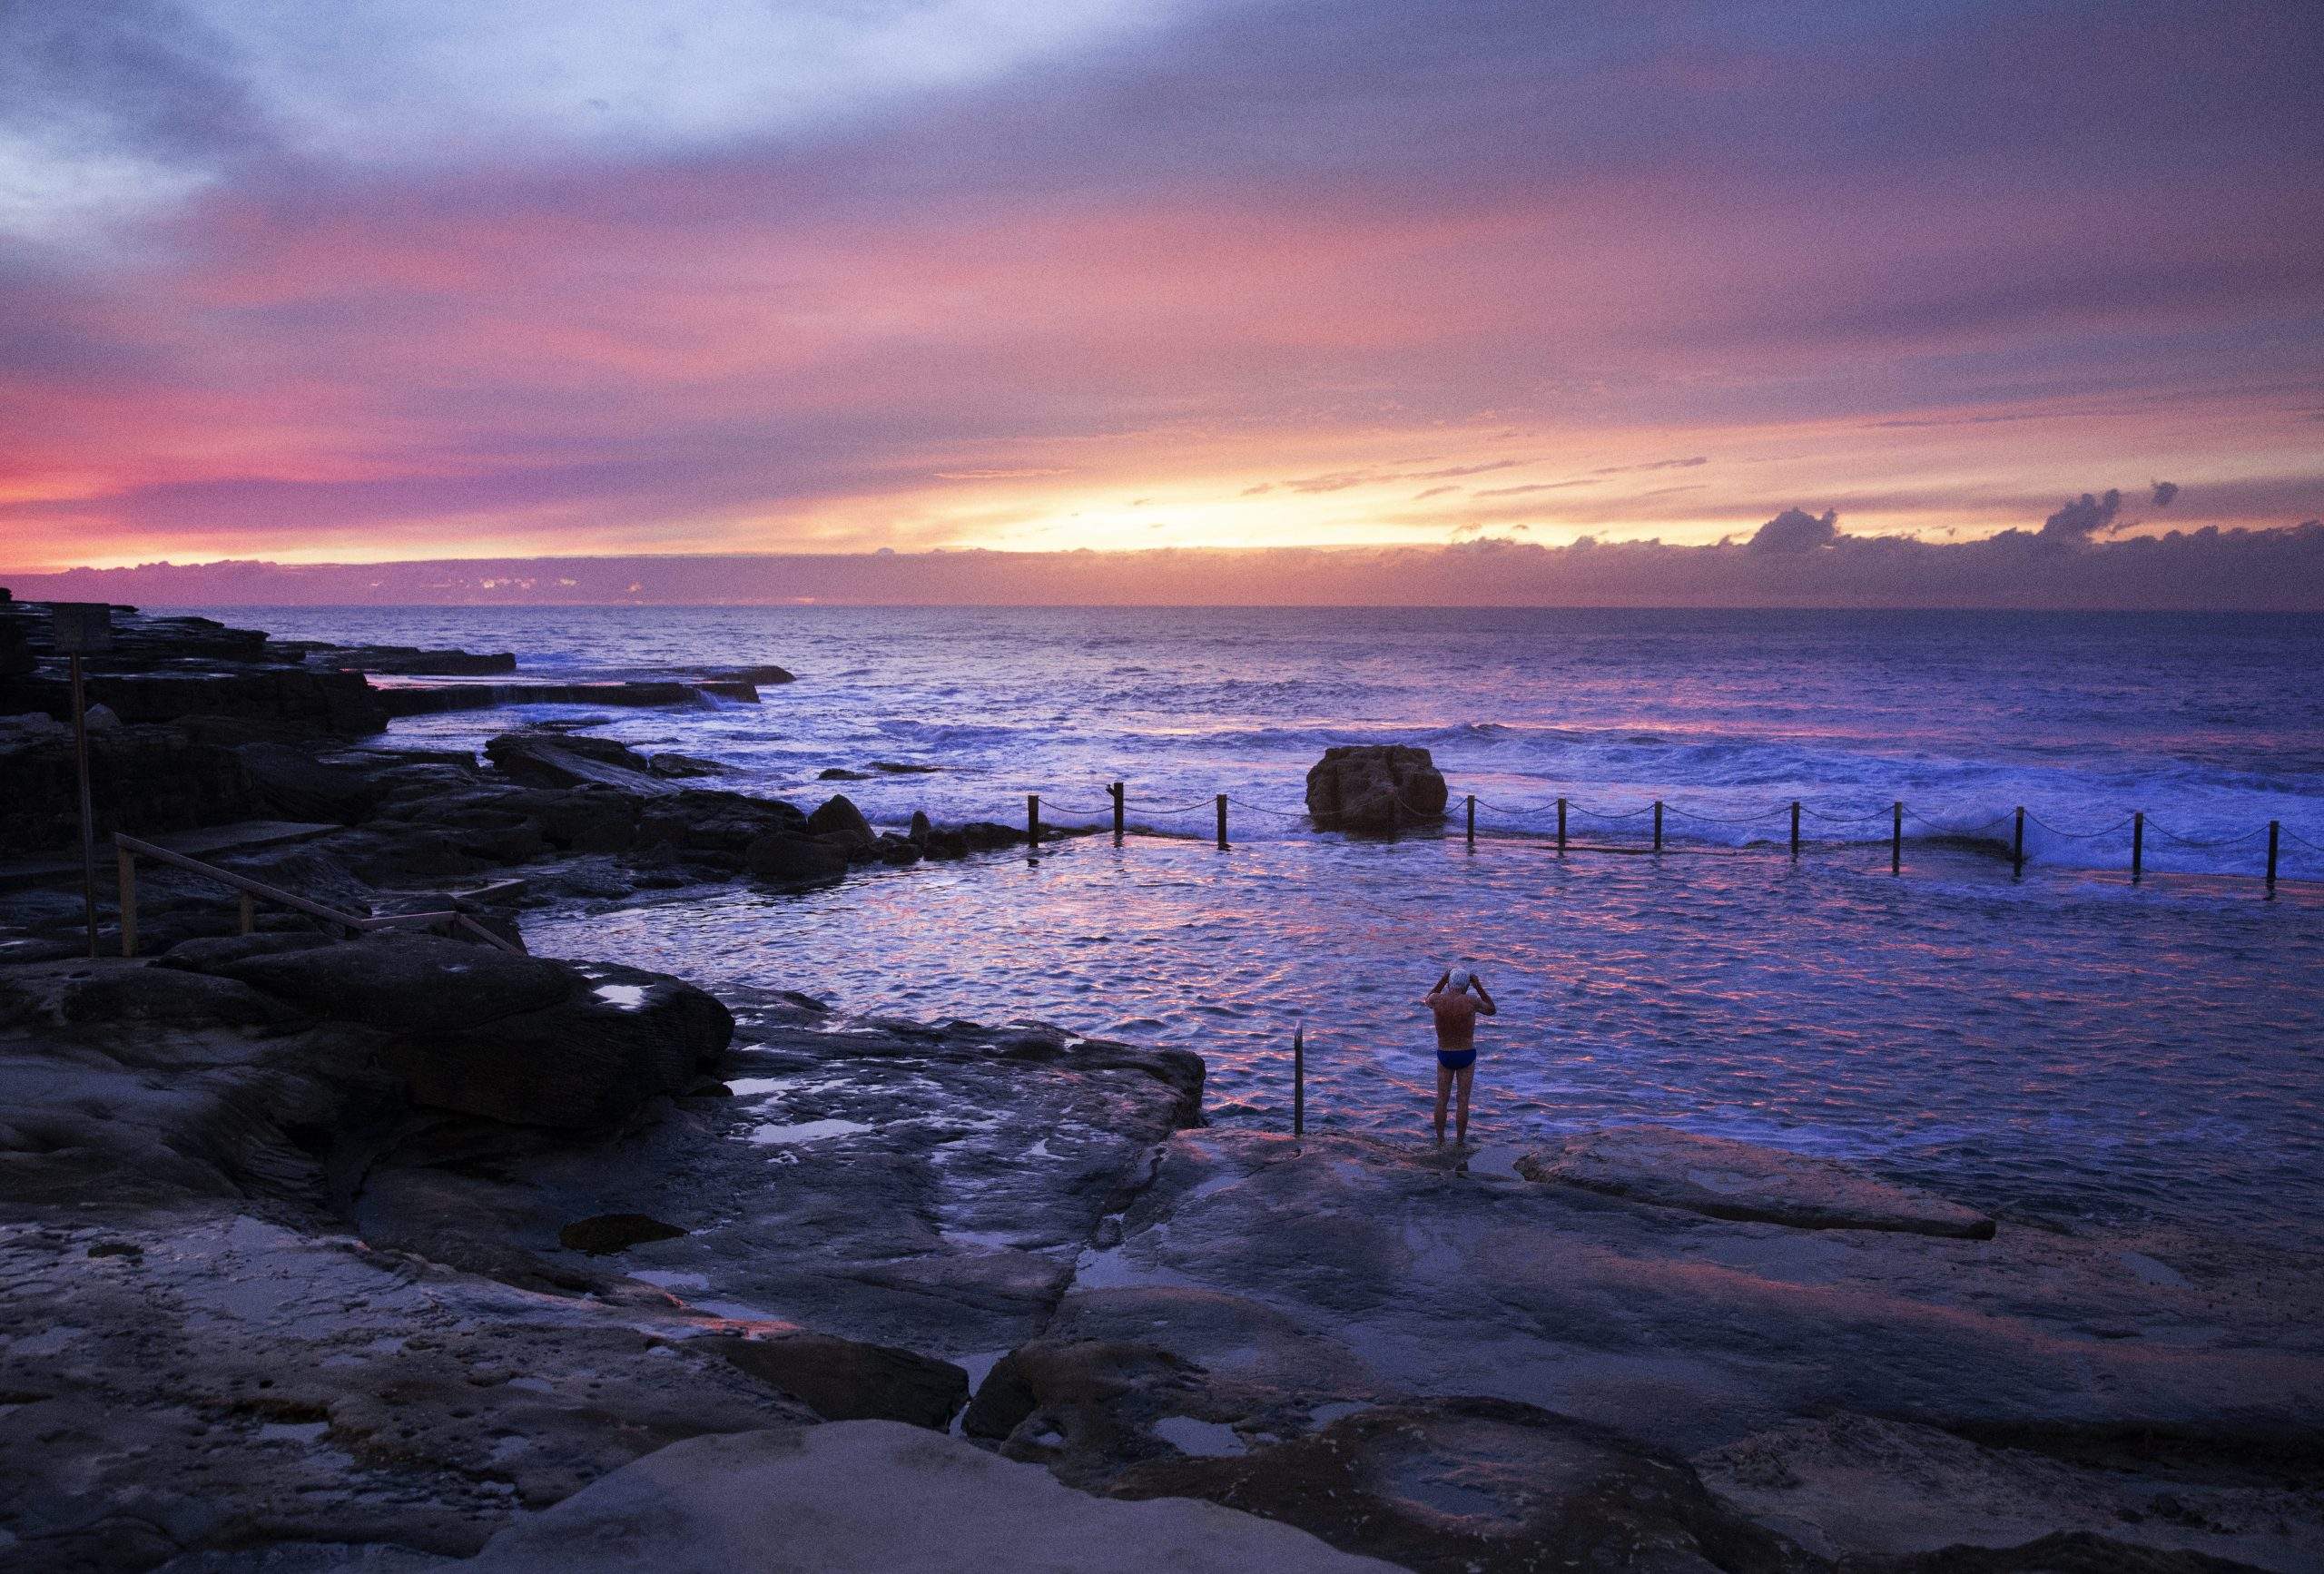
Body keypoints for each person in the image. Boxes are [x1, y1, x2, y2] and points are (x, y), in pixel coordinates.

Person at [1423, 965, 1496, 1146]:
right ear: (1466, 986)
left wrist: (1442, 979)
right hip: (1466, 1054)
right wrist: (1478, 985)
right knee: (1463, 1101)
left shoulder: (1437, 1000)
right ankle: (1459, 1142)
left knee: (1442, 1099)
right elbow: (1492, 1009)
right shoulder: (1471, 1001)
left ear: (1449, 983)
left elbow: (1427, 999)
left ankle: (1440, 1141)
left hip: (1445, 1054)